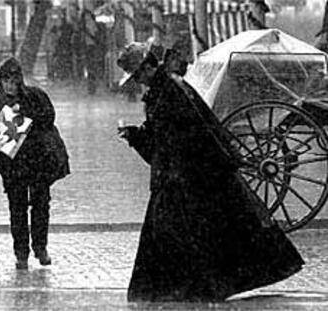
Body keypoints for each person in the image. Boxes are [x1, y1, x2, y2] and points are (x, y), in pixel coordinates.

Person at [117, 51, 304, 302]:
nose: (139, 82)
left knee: (183, 231)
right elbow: (163, 136)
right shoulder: (163, 92)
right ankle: (179, 289)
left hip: (187, 174)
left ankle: (175, 289)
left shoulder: (171, 90)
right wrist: (137, 136)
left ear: (148, 69)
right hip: (178, 173)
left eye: (139, 75)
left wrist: (154, 148)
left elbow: (186, 133)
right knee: (187, 231)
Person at [0, 57, 70, 269]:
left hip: (39, 162)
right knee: (17, 209)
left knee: (40, 206)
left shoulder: (35, 96)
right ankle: (21, 253)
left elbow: (49, 117)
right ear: (0, 82)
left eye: (13, 81)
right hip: (13, 166)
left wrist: (25, 114)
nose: (10, 86)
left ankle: (41, 247)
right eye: (6, 81)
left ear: (20, 81)